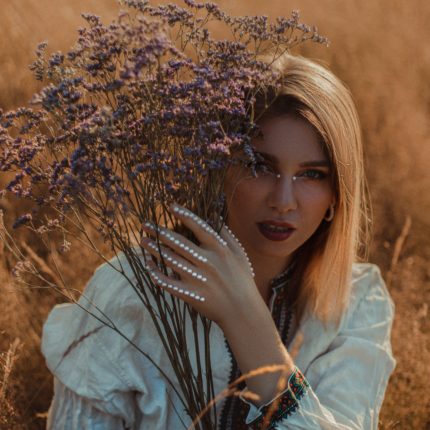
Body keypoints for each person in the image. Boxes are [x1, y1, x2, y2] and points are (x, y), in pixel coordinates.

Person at [41, 54, 396, 429]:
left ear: (337, 194)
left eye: (312, 174)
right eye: (260, 166)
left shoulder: (357, 305)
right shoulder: (129, 292)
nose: (283, 201)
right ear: (218, 167)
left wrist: (248, 321)